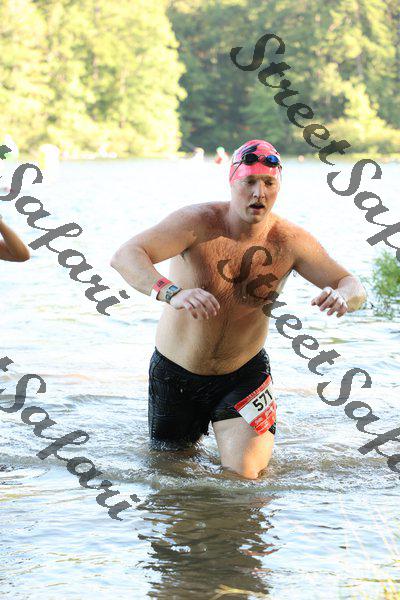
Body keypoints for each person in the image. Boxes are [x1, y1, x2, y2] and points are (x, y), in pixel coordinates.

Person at [110, 139, 366, 479]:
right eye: (250, 182)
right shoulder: (196, 222)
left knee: (244, 480)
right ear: (232, 182)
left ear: (278, 187)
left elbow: (352, 284)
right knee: (171, 480)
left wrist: (342, 296)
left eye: (269, 183)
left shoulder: (290, 241)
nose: (259, 193)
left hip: (245, 376)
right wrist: (171, 293)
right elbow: (126, 255)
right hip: (176, 374)